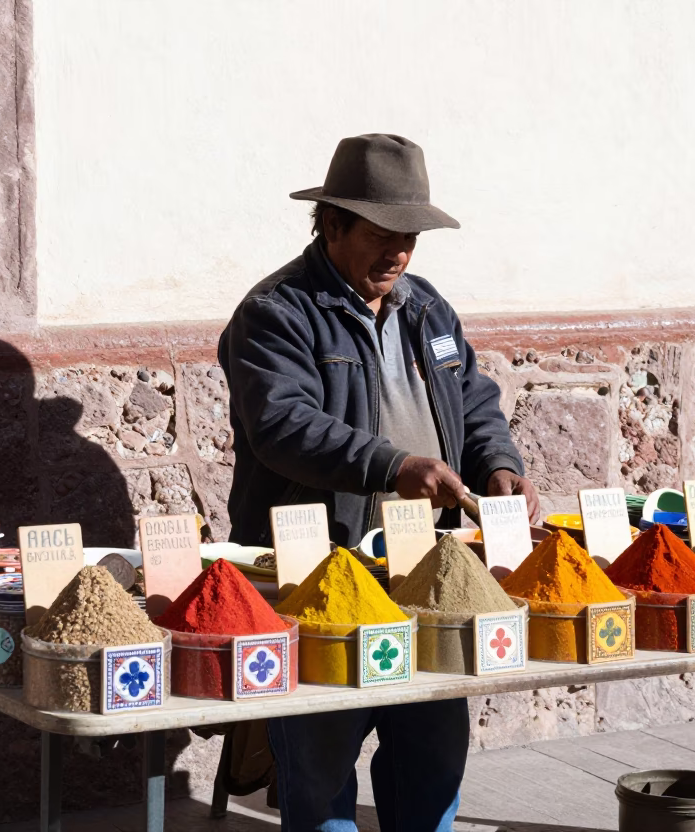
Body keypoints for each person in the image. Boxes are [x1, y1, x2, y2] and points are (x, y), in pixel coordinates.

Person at [219, 133, 540, 831]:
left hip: (423, 573)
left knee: (431, 753)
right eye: (382, 234)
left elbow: (474, 401)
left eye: (411, 239)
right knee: (322, 763)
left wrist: (499, 464)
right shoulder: (276, 312)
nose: (398, 253)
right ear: (332, 225)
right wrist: (394, 466)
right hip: (322, 573)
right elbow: (284, 425)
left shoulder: (428, 309)